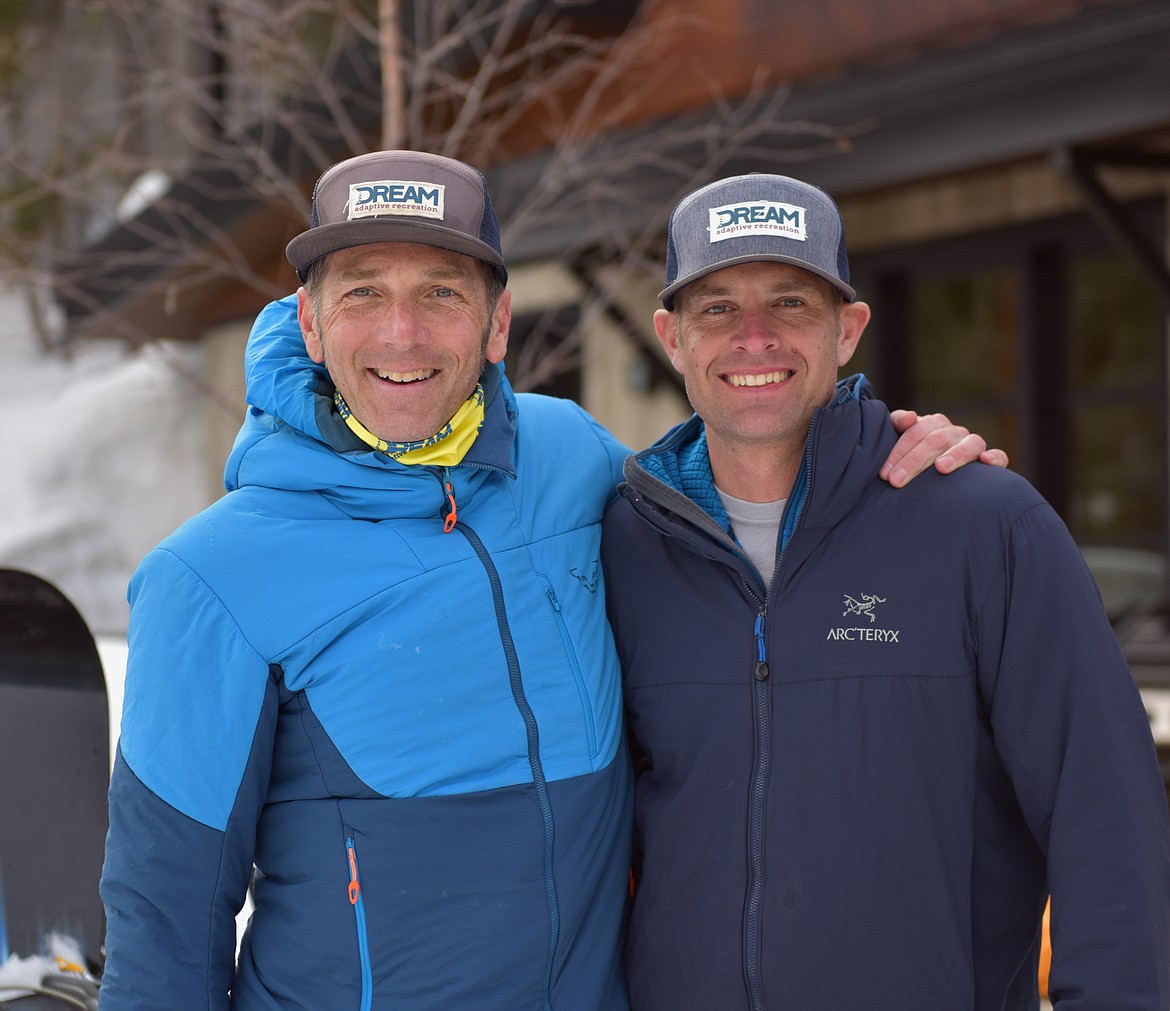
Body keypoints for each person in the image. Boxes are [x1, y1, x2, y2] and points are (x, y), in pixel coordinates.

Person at [98, 151, 998, 1010]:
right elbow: (164, 920)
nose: (401, 331)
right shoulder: (209, 578)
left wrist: (893, 461)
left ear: (497, 324)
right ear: (310, 320)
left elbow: (739, 505)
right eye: (363, 292)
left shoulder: (570, 455)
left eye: (441, 293)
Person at [600, 171, 1170, 1010]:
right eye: (716, 308)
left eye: (791, 303)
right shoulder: (620, 543)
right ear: (672, 338)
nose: (754, 337)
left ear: (849, 329)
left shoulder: (984, 526)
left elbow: (1107, 819)